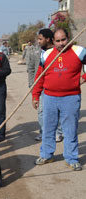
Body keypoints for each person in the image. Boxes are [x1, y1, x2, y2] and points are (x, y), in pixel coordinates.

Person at [32, 28, 86, 171]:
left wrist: (84, 77)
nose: (61, 43)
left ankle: (71, 158)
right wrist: (35, 95)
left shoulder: (79, 51)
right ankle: (47, 155)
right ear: (53, 41)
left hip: (71, 97)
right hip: (49, 97)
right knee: (48, 128)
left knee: (70, 129)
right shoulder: (47, 54)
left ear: (68, 38)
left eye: (63, 40)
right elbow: (39, 76)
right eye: (58, 41)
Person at [33, 28, 63, 142]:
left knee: (56, 110)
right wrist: (33, 86)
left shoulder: (58, 52)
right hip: (41, 86)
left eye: (40, 39)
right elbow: (35, 69)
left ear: (48, 39)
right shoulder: (39, 52)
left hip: (55, 87)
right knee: (41, 110)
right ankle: (43, 132)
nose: (38, 41)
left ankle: (58, 132)